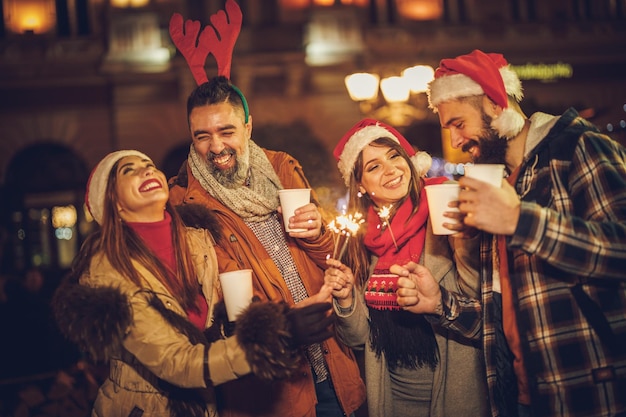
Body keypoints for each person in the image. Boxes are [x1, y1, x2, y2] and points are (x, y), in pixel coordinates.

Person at [394, 49, 626, 417]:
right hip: (519, 396)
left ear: (494, 102)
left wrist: (521, 222)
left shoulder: (579, 147)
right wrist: (440, 303)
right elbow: (502, 318)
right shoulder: (496, 182)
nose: (455, 142)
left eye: (459, 123)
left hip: (589, 387)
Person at [51, 150, 336, 417]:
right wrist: (279, 334)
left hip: (207, 403)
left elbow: (207, 328)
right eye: (130, 171)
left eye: (149, 166)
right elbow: (179, 362)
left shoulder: (196, 241)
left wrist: (241, 324)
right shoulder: (108, 270)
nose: (147, 171)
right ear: (113, 201)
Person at [167, 74, 366, 417]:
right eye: (203, 136)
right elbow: (219, 296)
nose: (216, 148)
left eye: (226, 132)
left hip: (334, 367)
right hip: (273, 390)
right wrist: (284, 325)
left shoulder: (281, 168)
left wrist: (318, 231)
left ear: (248, 127)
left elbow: (329, 258)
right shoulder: (184, 202)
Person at [323, 118, 488, 417]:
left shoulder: (446, 211)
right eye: (373, 167)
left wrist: (463, 242)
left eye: (394, 156)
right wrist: (346, 299)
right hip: (392, 400)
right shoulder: (359, 240)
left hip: (455, 396)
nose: (390, 170)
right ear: (360, 183)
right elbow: (358, 339)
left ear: (409, 161)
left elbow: (485, 310)